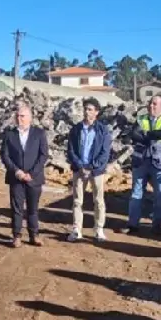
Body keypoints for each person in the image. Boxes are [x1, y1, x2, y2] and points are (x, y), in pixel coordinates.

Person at [120, 95, 161, 235]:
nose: (151, 106)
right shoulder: (141, 118)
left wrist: (146, 135)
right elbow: (134, 134)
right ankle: (133, 225)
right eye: (150, 103)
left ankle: (156, 225)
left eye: (155, 104)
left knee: (159, 195)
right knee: (136, 194)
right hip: (141, 161)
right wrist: (150, 135)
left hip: (159, 163)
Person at [0, 102, 49, 247]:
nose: (19, 118)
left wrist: (31, 173)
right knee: (17, 208)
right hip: (16, 178)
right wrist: (17, 171)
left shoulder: (39, 133)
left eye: (22, 116)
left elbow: (43, 155)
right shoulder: (10, 134)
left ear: (30, 118)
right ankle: (16, 236)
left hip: (34, 178)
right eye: (17, 116)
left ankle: (34, 235)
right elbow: (5, 155)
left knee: (33, 208)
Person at [66, 97, 112, 242]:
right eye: (85, 109)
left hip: (96, 171)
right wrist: (80, 166)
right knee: (77, 201)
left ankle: (99, 229)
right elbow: (71, 149)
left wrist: (92, 167)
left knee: (98, 201)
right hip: (79, 170)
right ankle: (76, 229)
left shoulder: (102, 130)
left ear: (96, 112)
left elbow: (105, 152)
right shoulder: (76, 129)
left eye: (90, 109)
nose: (86, 112)